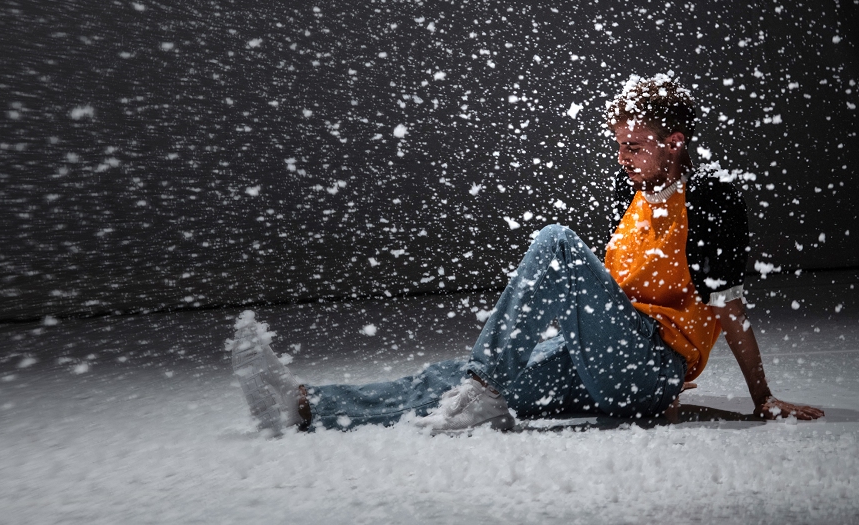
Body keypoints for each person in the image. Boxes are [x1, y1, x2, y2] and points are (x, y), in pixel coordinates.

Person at [229, 74, 824, 435]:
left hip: (650, 368)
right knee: (453, 376)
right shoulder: (633, 190)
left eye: (636, 146)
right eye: (618, 145)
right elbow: (610, 293)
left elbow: (729, 308)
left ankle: (487, 385)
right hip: (607, 353)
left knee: (555, 243)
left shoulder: (714, 201)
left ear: (675, 142)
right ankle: (304, 407)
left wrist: (762, 399)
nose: (624, 159)